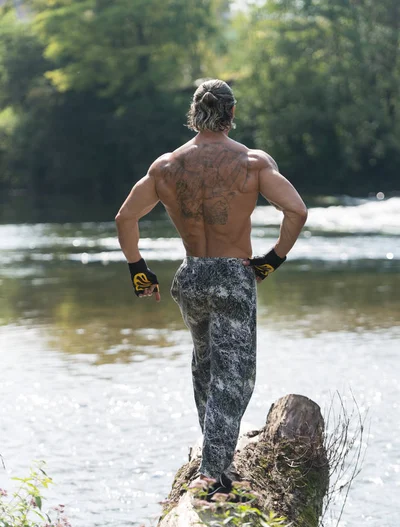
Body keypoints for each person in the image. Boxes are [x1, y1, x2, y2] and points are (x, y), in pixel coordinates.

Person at [115, 79, 307, 498]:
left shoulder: (166, 166)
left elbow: (125, 218)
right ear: (231, 114)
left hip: (191, 275)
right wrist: (272, 260)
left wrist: (139, 272)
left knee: (205, 367)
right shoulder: (252, 162)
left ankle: (217, 464)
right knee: (234, 376)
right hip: (231, 276)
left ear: (194, 113)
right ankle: (212, 473)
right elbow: (296, 210)